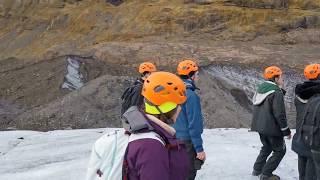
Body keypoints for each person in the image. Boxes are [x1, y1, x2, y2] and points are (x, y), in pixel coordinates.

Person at [124, 71, 190, 180]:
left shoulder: (148, 132)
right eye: (178, 104)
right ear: (167, 108)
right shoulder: (151, 146)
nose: (180, 108)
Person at [251, 66, 291, 180]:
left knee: (266, 147)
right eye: (281, 77)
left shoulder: (260, 89)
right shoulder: (276, 92)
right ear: (276, 78)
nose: (282, 79)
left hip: (259, 126)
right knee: (280, 150)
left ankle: (257, 169)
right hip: (272, 128)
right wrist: (285, 131)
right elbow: (280, 114)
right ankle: (266, 174)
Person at [173, 59, 206, 180]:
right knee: (188, 174)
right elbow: (194, 125)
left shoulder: (172, 92)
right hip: (186, 143)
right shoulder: (191, 96)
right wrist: (199, 149)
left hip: (172, 139)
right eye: (196, 75)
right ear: (190, 76)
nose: (198, 78)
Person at [292, 64, 320, 180]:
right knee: (312, 173)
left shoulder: (300, 93)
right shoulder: (317, 96)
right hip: (314, 139)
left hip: (300, 136)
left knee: (302, 171)